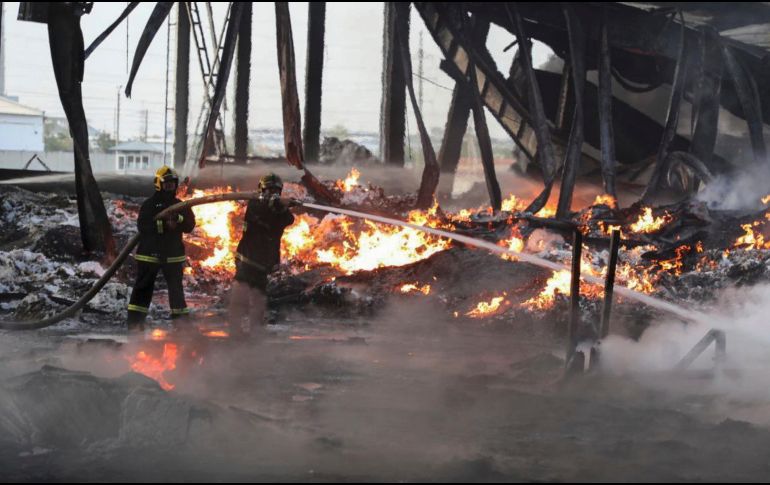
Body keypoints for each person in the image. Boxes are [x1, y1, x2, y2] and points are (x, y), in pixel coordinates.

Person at [126, 166, 196, 335]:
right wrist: (164, 224)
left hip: (172, 256)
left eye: (172, 183)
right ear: (159, 184)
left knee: (176, 291)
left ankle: (182, 327)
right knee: (143, 289)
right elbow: (143, 226)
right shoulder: (150, 205)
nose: (170, 186)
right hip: (150, 254)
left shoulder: (180, 205)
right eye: (167, 183)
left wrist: (177, 220)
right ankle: (135, 326)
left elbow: (189, 225)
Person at [229, 173, 296, 337]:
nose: (273, 193)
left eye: (276, 190)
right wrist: (276, 205)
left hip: (263, 262)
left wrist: (283, 206)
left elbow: (289, 219)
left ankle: (256, 329)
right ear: (262, 190)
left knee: (259, 298)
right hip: (247, 258)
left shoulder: (279, 211)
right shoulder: (255, 204)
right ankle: (235, 330)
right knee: (241, 295)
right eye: (269, 190)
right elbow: (264, 213)